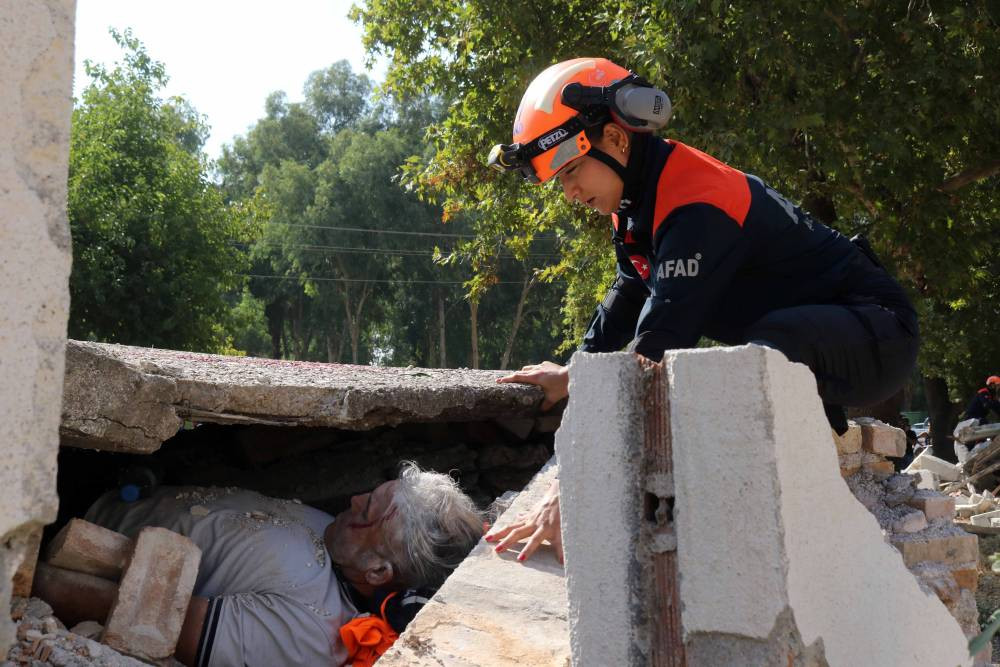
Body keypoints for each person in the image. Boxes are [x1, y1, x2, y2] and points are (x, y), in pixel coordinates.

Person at [484, 57, 919, 563]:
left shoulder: (696, 205)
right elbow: (629, 293)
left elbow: (651, 354)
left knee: (750, 358)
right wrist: (574, 372)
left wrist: (571, 488)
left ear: (617, 140)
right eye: (559, 180)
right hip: (813, 333)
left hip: (878, 333)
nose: (570, 193)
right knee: (761, 348)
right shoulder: (636, 203)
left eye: (572, 170)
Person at [80, 462, 482, 666]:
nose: (355, 499)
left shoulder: (311, 633)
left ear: (377, 571)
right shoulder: (341, 542)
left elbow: (149, 618)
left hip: (79, 528)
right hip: (109, 491)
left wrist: (53, 581)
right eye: (370, 495)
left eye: (368, 510)